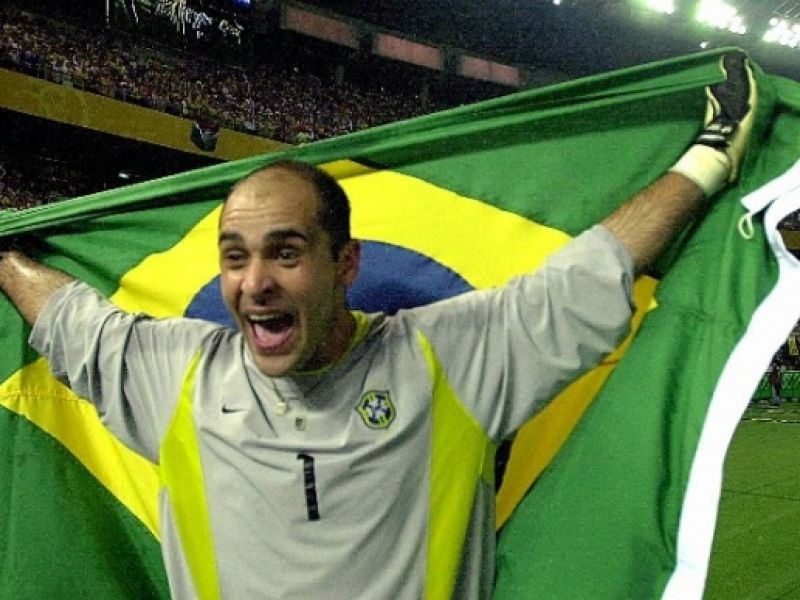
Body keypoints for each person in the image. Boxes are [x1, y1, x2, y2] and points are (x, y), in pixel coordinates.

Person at [0, 51, 756, 599]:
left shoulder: (447, 361)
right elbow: (69, 317)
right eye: (234, 257)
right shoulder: (178, 374)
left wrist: (712, 156)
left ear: (346, 263)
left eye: (286, 252)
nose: (254, 282)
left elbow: (594, 272)